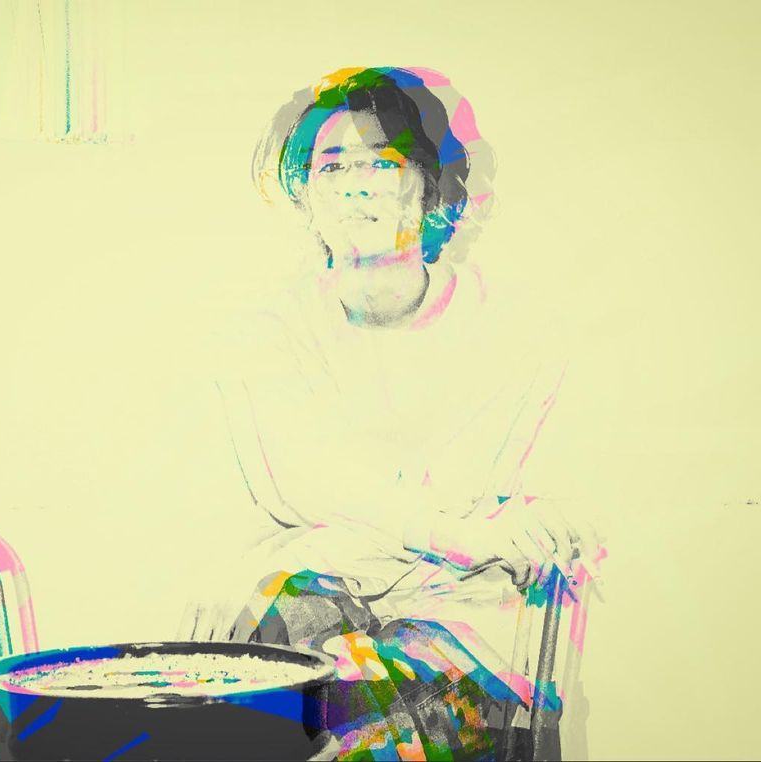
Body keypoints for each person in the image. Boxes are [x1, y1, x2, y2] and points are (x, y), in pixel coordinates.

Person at [180, 67, 599, 760]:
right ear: (305, 194)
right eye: (332, 166)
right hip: (315, 608)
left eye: (381, 162)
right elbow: (304, 484)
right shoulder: (268, 333)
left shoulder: (511, 335)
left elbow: (511, 512)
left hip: (462, 632)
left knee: (366, 709)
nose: (356, 186)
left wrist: (334, 535)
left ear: (428, 187)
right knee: (266, 656)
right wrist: (461, 535)